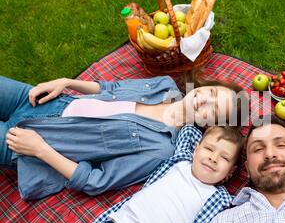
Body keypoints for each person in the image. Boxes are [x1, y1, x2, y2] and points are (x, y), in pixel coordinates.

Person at [0, 74, 246, 200]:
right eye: (212, 92)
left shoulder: (161, 149)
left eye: (213, 109)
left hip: (28, 142)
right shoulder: (164, 84)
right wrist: (66, 82)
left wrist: (39, 149)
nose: (205, 99)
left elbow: (97, 181)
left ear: (209, 125)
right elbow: (111, 89)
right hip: (44, 102)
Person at [26, 124, 244, 223]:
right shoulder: (180, 160)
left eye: (224, 158)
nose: (213, 158)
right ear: (196, 149)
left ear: (229, 173)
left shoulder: (220, 200)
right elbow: (188, 130)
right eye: (209, 149)